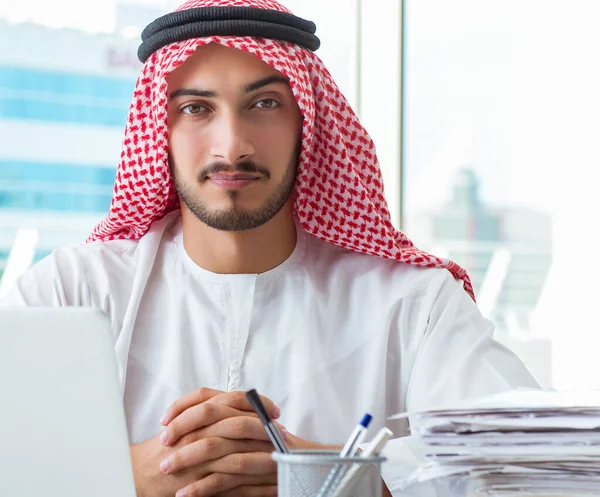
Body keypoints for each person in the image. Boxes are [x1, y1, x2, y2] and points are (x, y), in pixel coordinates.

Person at [0, 0, 539, 495]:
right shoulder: (71, 291)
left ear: (309, 122)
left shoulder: (413, 305)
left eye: (264, 103)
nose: (232, 144)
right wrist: (119, 478)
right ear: (157, 128)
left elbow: (532, 470)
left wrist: (336, 479)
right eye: (195, 109)